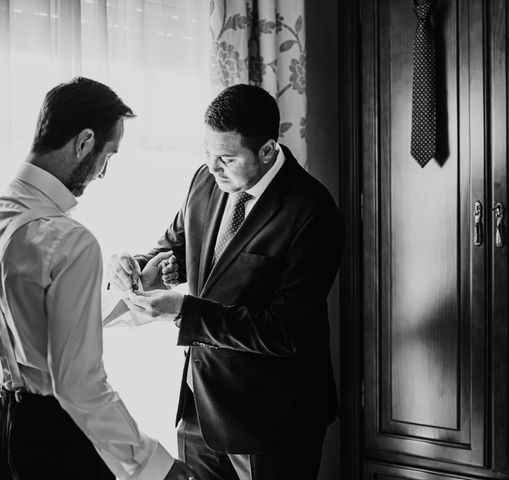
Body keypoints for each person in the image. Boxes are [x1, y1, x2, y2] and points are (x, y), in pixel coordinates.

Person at [107, 84, 343, 480]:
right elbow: (180, 249)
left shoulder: (313, 212)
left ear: (267, 151)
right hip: (200, 407)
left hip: (272, 419)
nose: (213, 168)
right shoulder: (205, 181)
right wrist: (139, 267)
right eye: (207, 153)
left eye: (227, 158)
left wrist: (186, 310)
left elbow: (285, 332)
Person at [0, 77, 197, 480]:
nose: (103, 172)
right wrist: (154, 466)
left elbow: (34, 324)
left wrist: (133, 295)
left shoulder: (6, 215)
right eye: (109, 155)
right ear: (85, 141)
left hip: (9, 421)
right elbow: (80, 384)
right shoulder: (68, 241)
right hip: (56, 435)